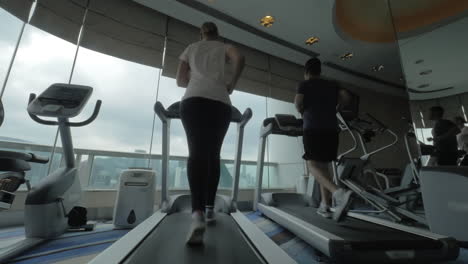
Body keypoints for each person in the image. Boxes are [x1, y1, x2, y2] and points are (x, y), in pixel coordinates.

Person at [176, 22, 245, 245]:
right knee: (213, 154)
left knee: (196, 153)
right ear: (218, 34)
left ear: (201, 33)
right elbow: (240, 58)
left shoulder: (191, 48)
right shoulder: (225, 47)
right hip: (220, 103)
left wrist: (196, 80)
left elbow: (179, 80)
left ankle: (197, 214)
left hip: (193, 100)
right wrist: (231, 83)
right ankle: (209, 209)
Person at [294, 57, 353, 222]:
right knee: (324, 167)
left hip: (313, 128)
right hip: (331, 130)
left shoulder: (304, 84)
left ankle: (338, 193)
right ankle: (325, 206)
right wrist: (337, 108)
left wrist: (304, 112)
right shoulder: (332, 84)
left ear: (306, 72)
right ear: (320, 71)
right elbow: (346, 97)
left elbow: (298, 104)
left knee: (312, 165)